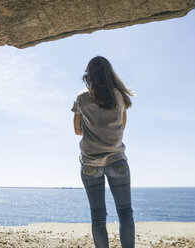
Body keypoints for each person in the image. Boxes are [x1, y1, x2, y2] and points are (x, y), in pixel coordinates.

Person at [71, 56, 135, 248]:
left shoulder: (82, 98)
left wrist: (92, 129)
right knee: (125, 213)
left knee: (98, 216)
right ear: (109, 73)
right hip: (117, 161)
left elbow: (77, 130)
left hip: (90, 164)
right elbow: (122, 127)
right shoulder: (120, 97)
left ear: (89, 74)